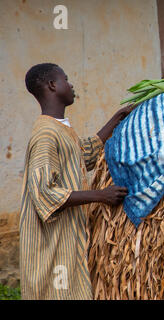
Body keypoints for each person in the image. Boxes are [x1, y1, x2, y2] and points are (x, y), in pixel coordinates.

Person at [20, 63, 131, 299]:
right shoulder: (45, 135)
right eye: (66, 79)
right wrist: (102, 195)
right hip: (51, 245)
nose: (71, 85)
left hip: (68, 239)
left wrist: (117, 118)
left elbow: (84, 155)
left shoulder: (60, 129)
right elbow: (44, 192)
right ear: (52, 85)